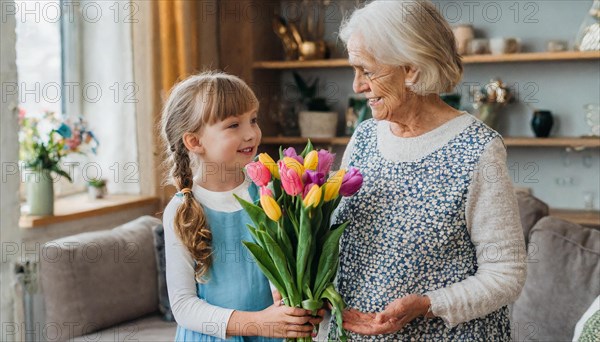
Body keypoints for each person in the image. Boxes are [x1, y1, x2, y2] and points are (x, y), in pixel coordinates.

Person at [328, 1, 527, 340]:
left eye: (367, 70)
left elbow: (506, 273)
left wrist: (428, 303)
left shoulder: (477, 148)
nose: (357, 86)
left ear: (411, 69)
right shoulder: (363, 137)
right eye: (354, 70)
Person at [161, 72, 322, 341]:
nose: (251, 134)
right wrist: (257, 323)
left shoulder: (268, 190)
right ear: (194, 142)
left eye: (253, 120)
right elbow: (184, 307)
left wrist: (306, 305)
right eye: (233, 125)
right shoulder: (180, 211)